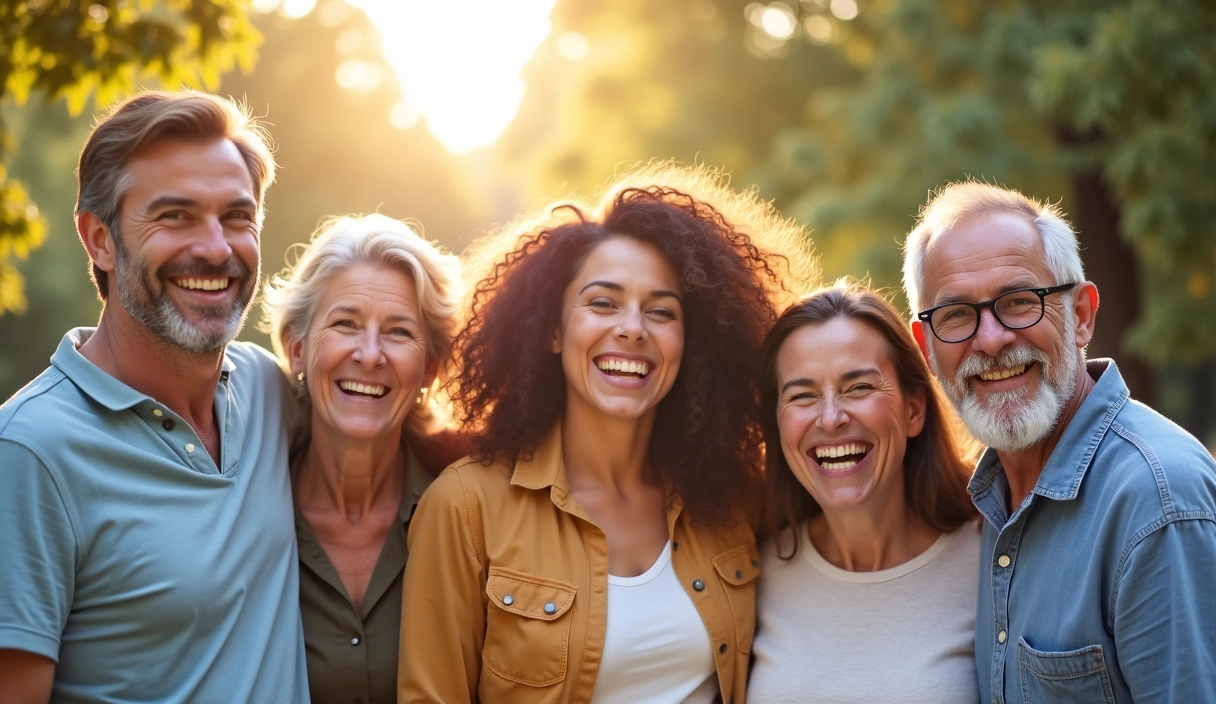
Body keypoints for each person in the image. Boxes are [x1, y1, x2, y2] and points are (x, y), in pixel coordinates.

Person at [397, 165, 809, 704]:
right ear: (552, 329)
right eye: (603, 303)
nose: (633, 328)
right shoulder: (466, 507)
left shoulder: (734, 501)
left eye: (661, 311)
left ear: (691, 342)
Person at [0, 91, 309, 701]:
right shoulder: (29, 453)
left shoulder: (270, 391)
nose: (216, 248)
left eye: (237, 217)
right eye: (176, 216)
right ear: (100, 240)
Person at [903, 181, 1216, 702]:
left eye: (1019, 302)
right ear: (927, 350)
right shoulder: (983, 504)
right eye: (956, 314)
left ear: (1081, 316)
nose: (991, 340)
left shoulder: (1157, 502)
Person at [260, 213, 464, 704]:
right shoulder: (244, 507)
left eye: (398, 332)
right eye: (346, 324)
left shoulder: (470, 509)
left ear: (429, 369)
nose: (370, 355)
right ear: (297, 349)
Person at [747, 280, 980, 703]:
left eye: (859, 388)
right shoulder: (751, 570)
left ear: (914, 410)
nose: (830, 418)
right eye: (802, 395)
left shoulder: (991, 560)